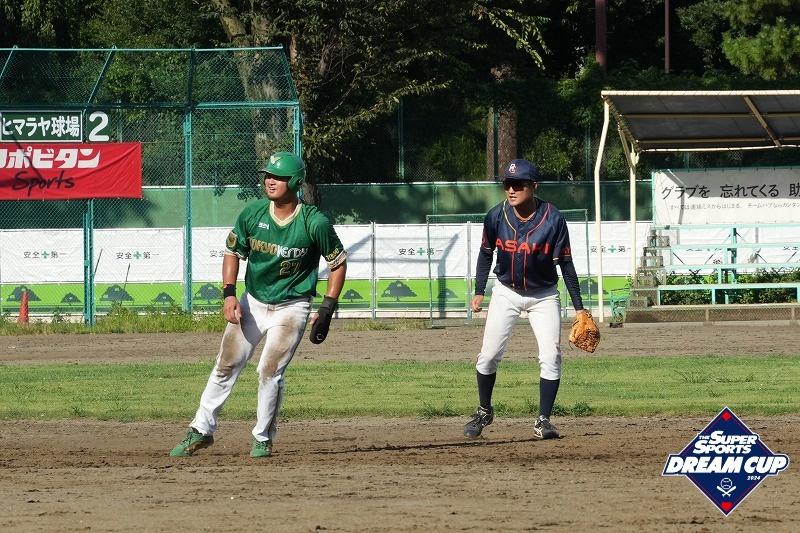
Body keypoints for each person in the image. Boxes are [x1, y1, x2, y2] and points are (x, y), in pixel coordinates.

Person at [170, 151, 347, 458]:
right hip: (253, 301)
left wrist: (327, 308)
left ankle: (262, 438)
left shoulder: (313, 222)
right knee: (226, 365)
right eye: (268, 175)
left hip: (292, 307)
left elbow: (338, 263)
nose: (270, 181)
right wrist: (228, 293)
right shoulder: (253, 214)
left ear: (296, 182)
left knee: (269, 370)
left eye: (278, 177)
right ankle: (200, 431)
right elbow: (232, 252)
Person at [463, 159, 587, 440]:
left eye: (518, 184)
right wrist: (479, 290)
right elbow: (486, 253)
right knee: (488, 356)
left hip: (543, 295)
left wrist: (579, 308)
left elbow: (566, 263)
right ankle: (484, 411)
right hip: (506, 292)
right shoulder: (496, 216)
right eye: (508, 184)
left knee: (551, 356)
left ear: (534, 186)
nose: (511, 189)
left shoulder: (553, 219)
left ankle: (543, 421)